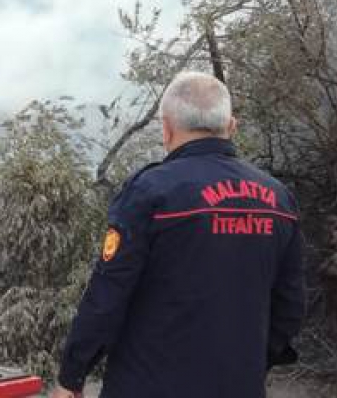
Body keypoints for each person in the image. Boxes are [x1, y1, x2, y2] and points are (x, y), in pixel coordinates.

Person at [52, 71, 305, 398]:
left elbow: (108, 295)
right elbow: (290, 306)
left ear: (166, 128)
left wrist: (72, 376)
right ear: (231, 127)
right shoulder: (279, 199)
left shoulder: (151, 192)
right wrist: (250, 362)